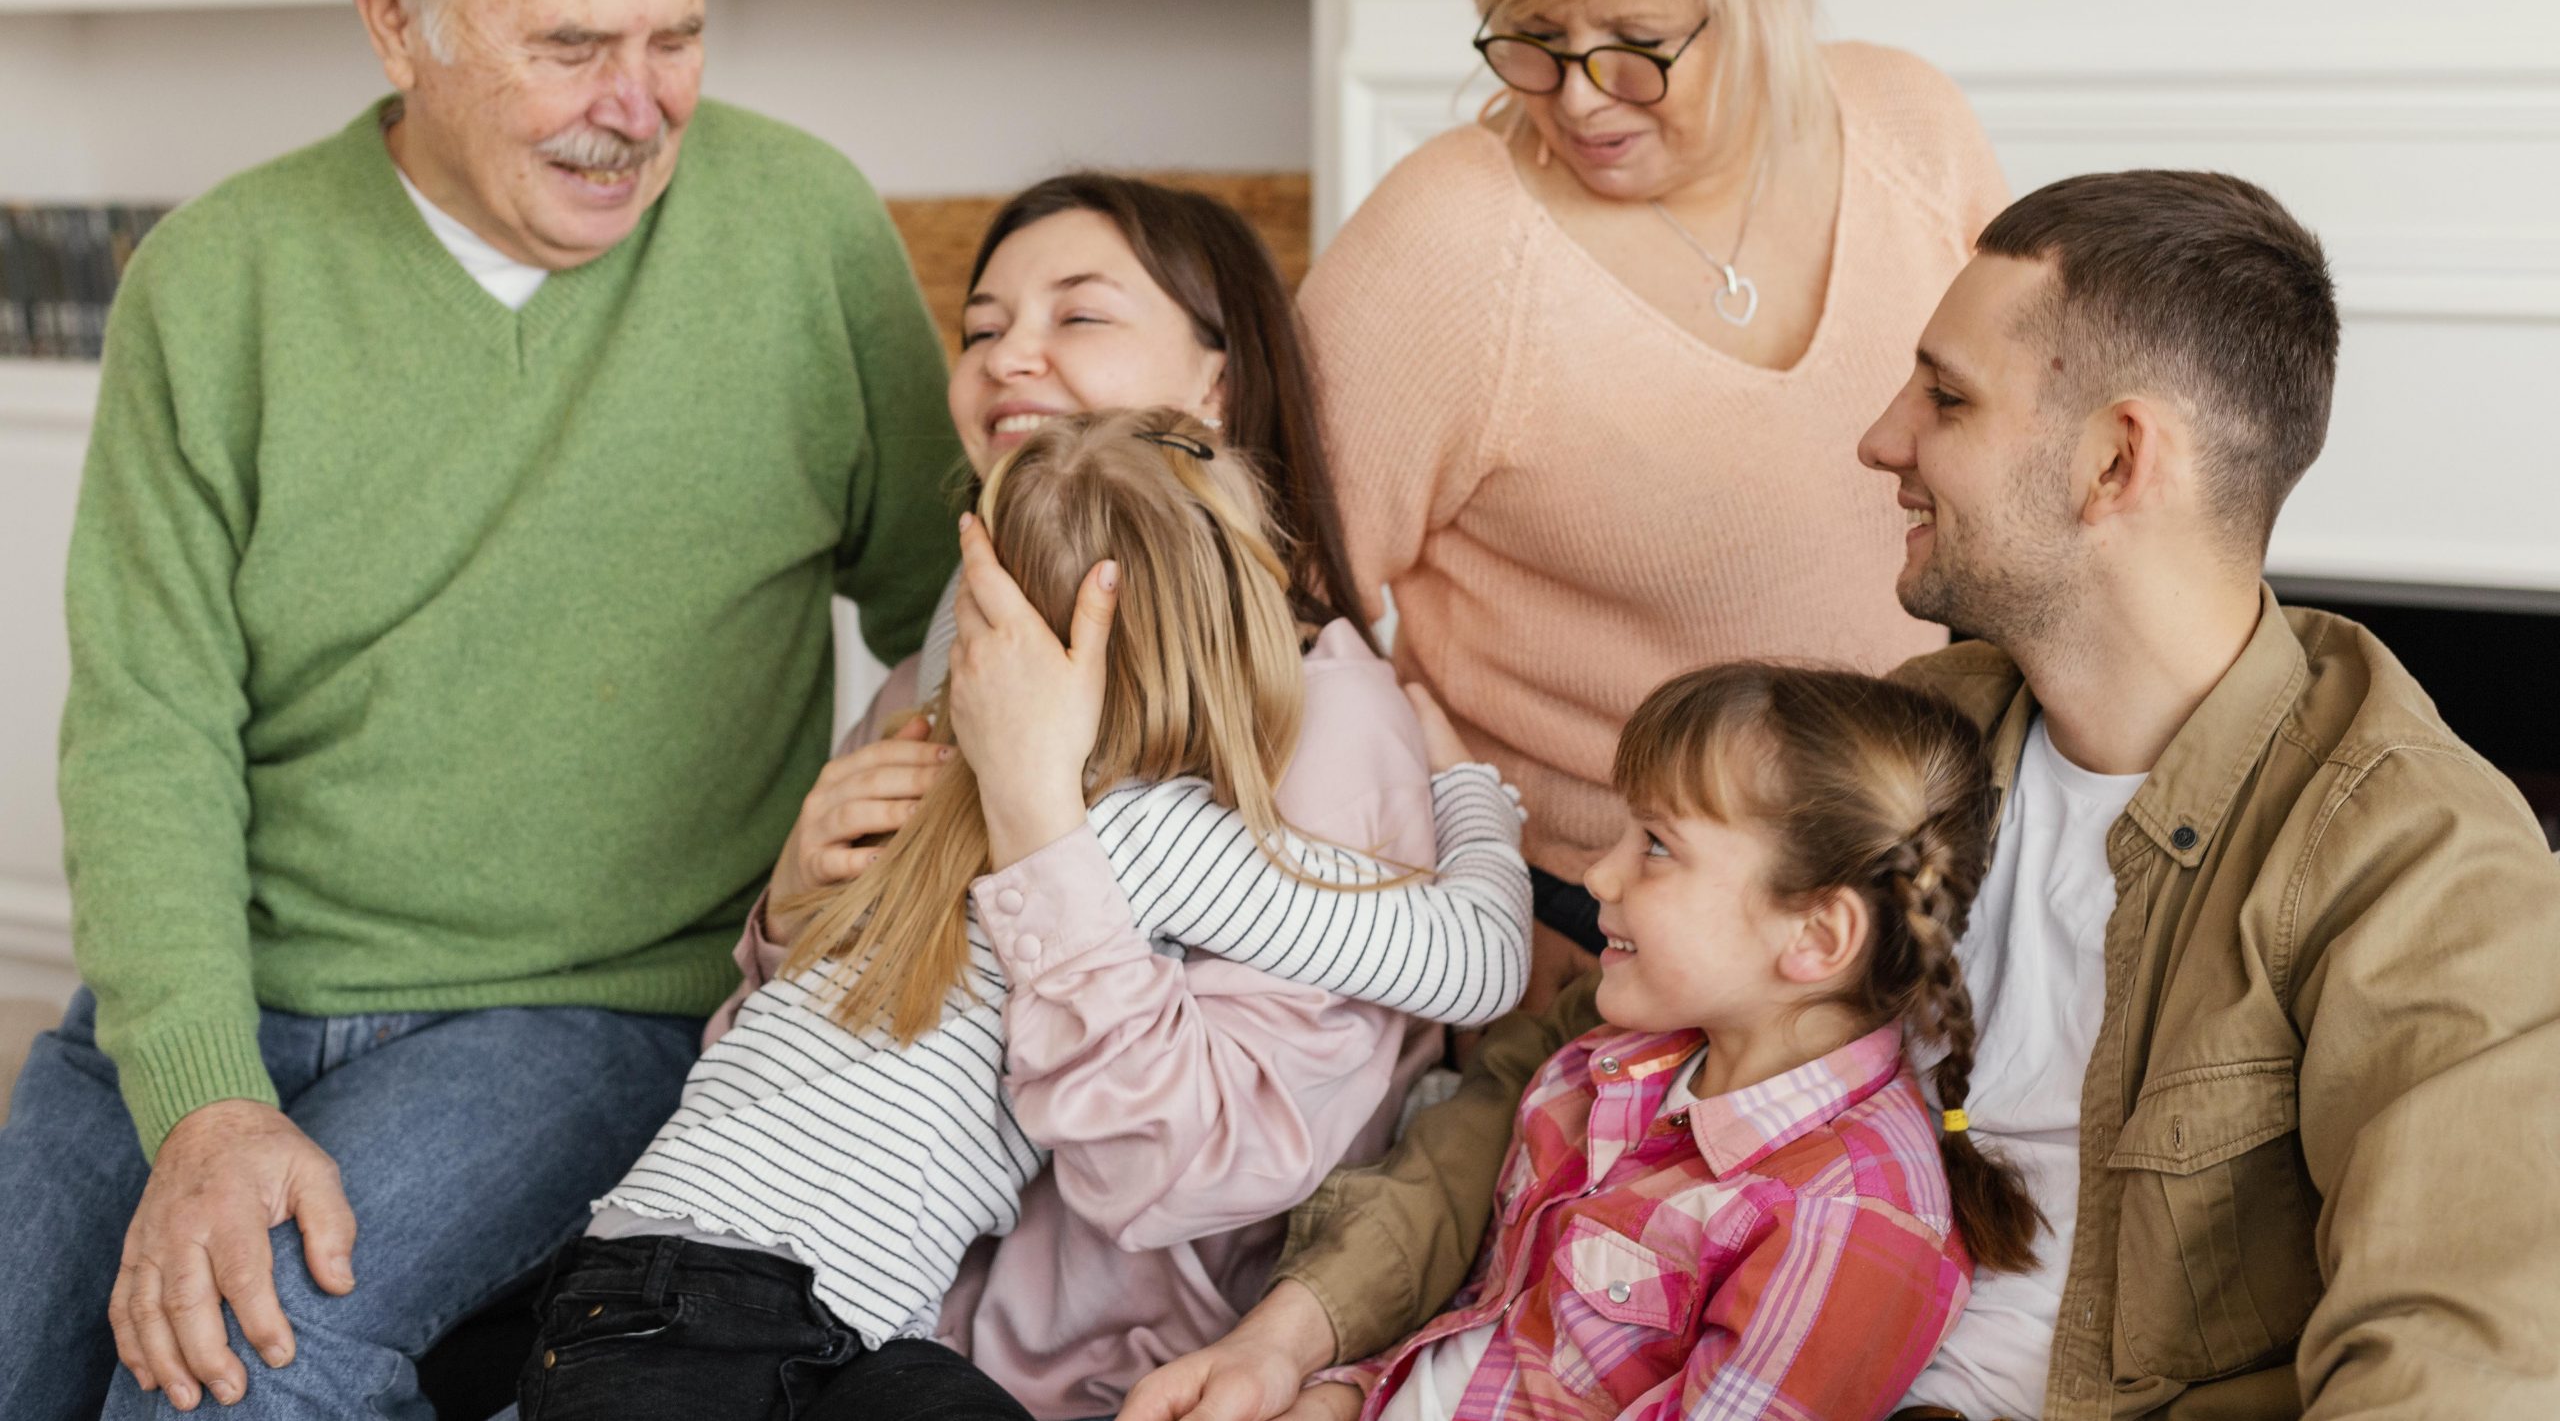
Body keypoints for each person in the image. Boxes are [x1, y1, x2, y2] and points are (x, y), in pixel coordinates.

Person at [1125, 169, 2560, 1421]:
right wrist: (1295, 1330)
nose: (1881, 438)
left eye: (1944, 394)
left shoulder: (2416, 857)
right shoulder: (1919, 733)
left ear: (2118, 458)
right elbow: (1551, 1074)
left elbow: (2455, 1350)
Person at [0, 0, 962, 1421]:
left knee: (224, 1376)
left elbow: (952, 604)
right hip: (229, 964)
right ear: (395, 24)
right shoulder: (218, 282)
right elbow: (149, 734)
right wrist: (208, 1103)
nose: (640, 107)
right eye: (574, 46)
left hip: (586, 1008)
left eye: (679, 38)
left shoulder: (802, 229)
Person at [519, 409, 1532, 1421]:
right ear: (1233, 626)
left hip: (734, 1309)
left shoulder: (924, 787)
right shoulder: (1147, 834)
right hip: (729, 1310)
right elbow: (1478, 962)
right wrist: (1468, 789)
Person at [721, 173, 1482, 1421]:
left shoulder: (1323, 720)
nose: (1006, 356)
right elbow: (775, 1094)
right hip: (834, 1334)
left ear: (1216, 387)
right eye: (978, 329)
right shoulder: (931, 675)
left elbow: (1202, 1169)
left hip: (1095, 1388)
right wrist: (792, 918)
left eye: (1076, 317)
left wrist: (1038, 834)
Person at [1298, 0, 2010, 999]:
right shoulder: (1446, 247)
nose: (1576, 99)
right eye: (1529, 36)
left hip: (1899, 903)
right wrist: (1460, 904)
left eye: (1635, 43)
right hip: (1592, 932)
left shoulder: (1913, 133)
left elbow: (2020, 478)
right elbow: (1273, 609)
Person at [1311, 662, 2038, 1421]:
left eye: (1656, 844)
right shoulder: (1614, 1060)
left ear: (1818, 935)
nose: (1599, 873)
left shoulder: (1841, 1221)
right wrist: (1341, 1393)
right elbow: (1486, 1325)